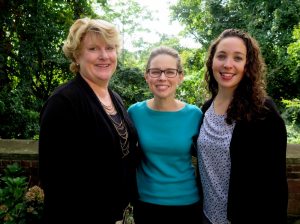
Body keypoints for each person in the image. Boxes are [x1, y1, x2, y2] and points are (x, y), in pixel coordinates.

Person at [38, 17, 138, 224]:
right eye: (93, 49)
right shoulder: (64, 102)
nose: (104, 56)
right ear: (77, 56)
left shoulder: (114, 97)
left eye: (109, 48)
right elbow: (54, 179)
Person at [197, 28, 288, 224]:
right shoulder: (205, 110)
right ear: (212, 61)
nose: (227, 64)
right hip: (206, 217)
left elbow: (276, 185)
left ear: (247, 65)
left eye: (237, 58)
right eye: (221, 56)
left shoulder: (263, 112)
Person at [128, 46, 203, 224]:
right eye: (155, 72)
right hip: (146, 203)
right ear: (147, 76)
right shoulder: (134, 113)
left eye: (170, 72)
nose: (162, 78)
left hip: (187, 204)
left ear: (180, 76)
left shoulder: (195, 115)